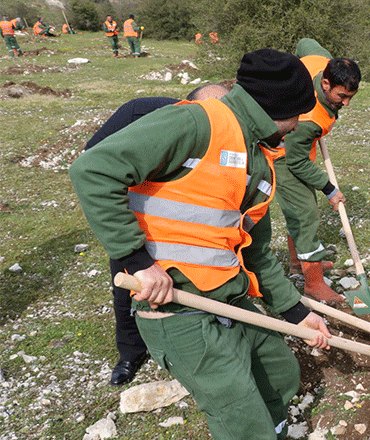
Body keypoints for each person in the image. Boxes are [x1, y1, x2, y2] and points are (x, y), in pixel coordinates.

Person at [69, 49, 333, 439]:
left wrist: (295, 312)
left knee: (280, 374)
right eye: (299, 114)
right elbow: (92, 170)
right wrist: (137, 260)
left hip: (229, 296)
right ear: (279, 109)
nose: (299, 125)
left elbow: (256, 252)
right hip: (181, 310)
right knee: (239, 414)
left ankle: (273, 429)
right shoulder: (195, 122)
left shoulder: (257, 157)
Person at [84, 84, 230, 386]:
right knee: (130, 282)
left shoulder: (226, 130)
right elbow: (93, 162)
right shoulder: (139, 113)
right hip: (135, 211)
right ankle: (130, 351)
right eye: (209, 116)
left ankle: (199, 337)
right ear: (185, 108)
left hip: (188, 214)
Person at [273, 38, 360, 303]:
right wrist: (330, 189)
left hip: (299, 146)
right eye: (341, 96)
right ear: (325, 84)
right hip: (280, 153)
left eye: (351, 96)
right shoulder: (309, 117)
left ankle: (299, 263)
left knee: (303, 211)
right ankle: (313, 284)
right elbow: (296, 162)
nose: (346, 104)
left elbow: (304, 42)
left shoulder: (319, 62)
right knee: (305, 214)